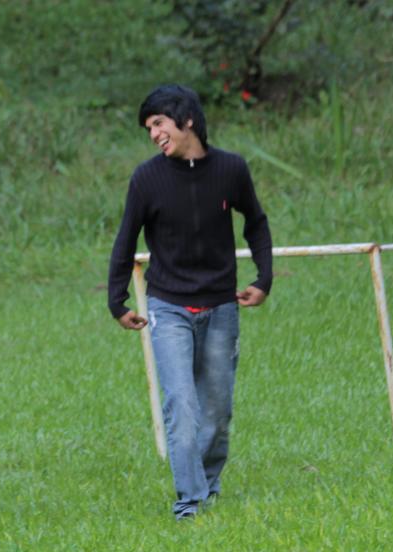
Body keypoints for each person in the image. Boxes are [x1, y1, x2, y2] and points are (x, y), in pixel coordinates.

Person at [106, 84, 273, 520]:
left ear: (187, 120)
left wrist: (264, 278)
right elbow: (126, 240)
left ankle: (209, 484)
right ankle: (189, 501)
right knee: (182, 403)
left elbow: (256, 222)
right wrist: (117, 300)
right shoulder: (147, 178)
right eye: (148, 128)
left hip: (221, 307)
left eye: (158, 123)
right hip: (168, 308)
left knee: (217, 412)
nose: (153, 134)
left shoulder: (231, 170)